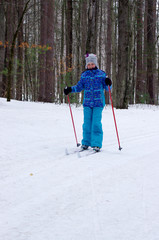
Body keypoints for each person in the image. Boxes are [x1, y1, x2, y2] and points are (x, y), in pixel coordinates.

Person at [64, 53, 112, 152]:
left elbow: (108, 88)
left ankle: (96, 143)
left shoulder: (101, 74)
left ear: (96, 64)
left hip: (98, 103)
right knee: (86, 124)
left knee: (96, 123)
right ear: (86, 65)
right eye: (89, 64)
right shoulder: (84, 75)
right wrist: (69, 89)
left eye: (92, 63)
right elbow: (78, 87)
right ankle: (86, 142)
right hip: (87, 103)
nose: (90, 66)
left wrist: (109, 83)